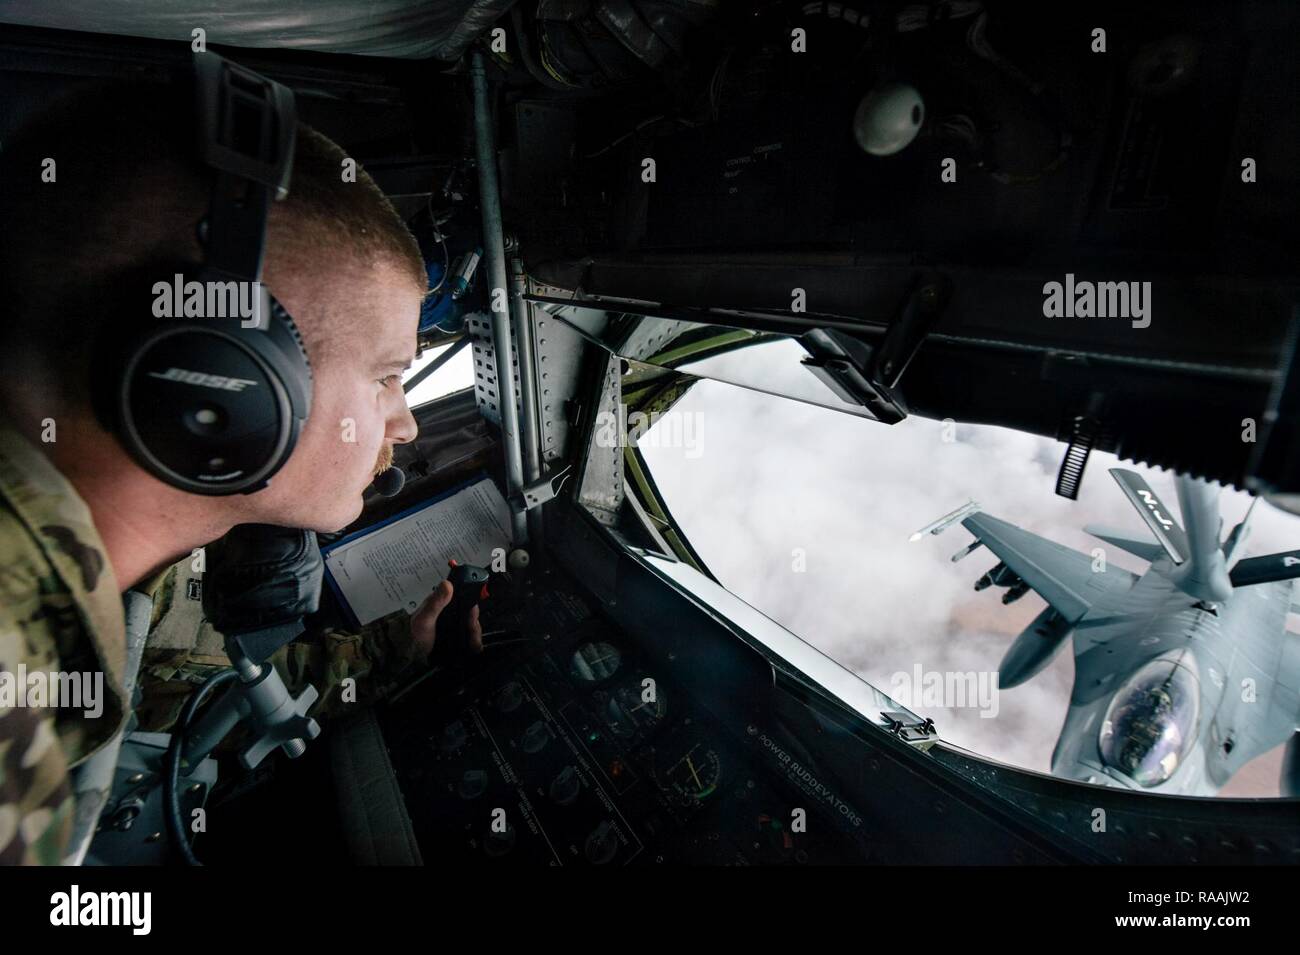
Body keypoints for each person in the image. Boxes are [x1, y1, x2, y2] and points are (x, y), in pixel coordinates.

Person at [0, 75, 477, 865]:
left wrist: (398, 649)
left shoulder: (90, 561)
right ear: (225, 376)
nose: (406, 421)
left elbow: (193, 669)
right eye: (388, 375)